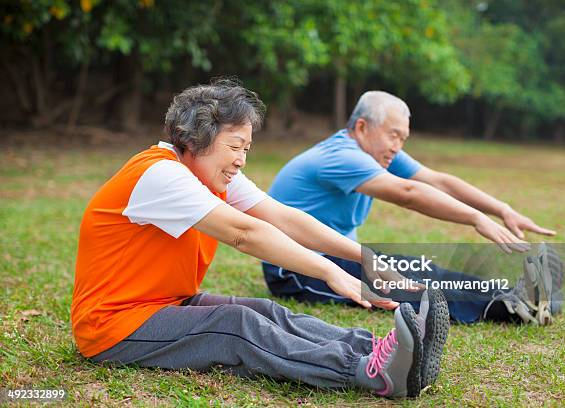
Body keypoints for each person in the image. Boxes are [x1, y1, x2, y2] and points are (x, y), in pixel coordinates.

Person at [70, 79, 451, 399]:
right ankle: (372, 371)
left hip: (164, 302)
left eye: (246, 149)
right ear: (196, 138)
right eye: (234, 147)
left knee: (265, 311)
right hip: (114, 328)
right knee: (236, 325)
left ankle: (380, 349)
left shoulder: (211, 174)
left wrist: (366, 260)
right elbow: (244, 233)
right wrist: (329, 271)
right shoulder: (160, 175)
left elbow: (284, 217)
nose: (241, 160)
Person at [263, 90, 563, 325]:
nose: (397, 146)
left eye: (403, 139)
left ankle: (517, 294)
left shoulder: (378, 152)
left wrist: (501, 209)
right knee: (411, 285)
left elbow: (437, 181)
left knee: (422, 269)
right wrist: (474, 218)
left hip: (339, 255)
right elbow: (408, 193)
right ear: (363, 127)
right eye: (393, 135)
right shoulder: (341, 157)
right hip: (296, 270)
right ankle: (512, 308)